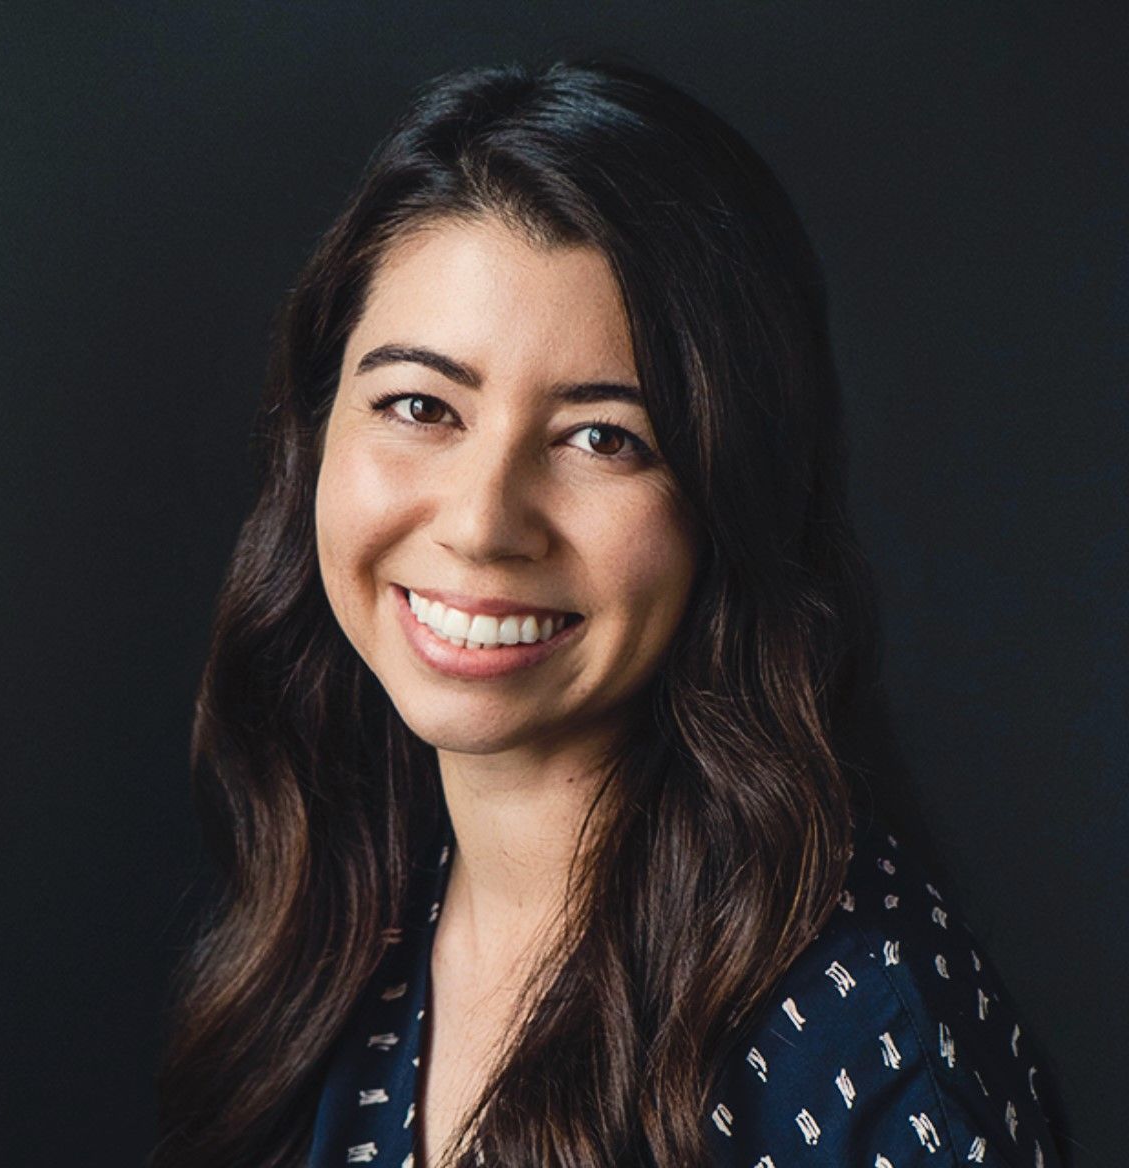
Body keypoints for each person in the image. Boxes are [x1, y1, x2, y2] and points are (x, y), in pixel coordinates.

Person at [154, 61, 1066, 1168]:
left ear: (733, 500)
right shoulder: (356, 919)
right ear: (315, 435)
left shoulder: (868, 1042)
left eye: (603, 437)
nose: (485, 523)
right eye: (419, 406)